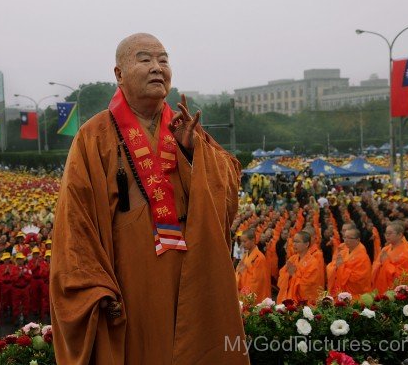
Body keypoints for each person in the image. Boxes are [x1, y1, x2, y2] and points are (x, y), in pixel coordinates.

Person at [50, 33, 248, 364]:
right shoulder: (94, 136)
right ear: (119, 74)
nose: (158, 68)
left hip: (191, 275)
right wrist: (94, 285)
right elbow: (75, 221)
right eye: (145, 59)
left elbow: (227, 193)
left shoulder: (187, 129)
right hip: (130, 283)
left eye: (164, 60)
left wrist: (192, 152)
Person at [372, 221, 408, 294]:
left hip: (396, 291)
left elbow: (402, 275)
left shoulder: (405, 251)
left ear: (400, 235)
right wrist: (379, 264)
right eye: (386, 233)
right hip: (382, 286)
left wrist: (386, 262)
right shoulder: (386, 249)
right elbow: (375, 266)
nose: (387, 236)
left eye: (390, 233)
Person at [277, 231, 322, 304]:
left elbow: (307, 287)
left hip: (303, 303)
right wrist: (288, 276)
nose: (294, 244)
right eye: (294, 241)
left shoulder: (313, 262)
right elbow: (280, 278)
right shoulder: (292, 259)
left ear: (306, 244)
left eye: (297, 242)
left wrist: (293, 275)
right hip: (288, 300)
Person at [326, 228, 371, 298]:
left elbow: (357, 279)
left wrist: (341, 267)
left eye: (349, 238)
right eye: (345, 237)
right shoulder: (343, 252)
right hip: (340, 292)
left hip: (355, 295)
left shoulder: (363, 257)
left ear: (358, 240)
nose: (346, 240)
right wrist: (337, 267)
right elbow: (330, 267)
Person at [236, 229, 271, 302]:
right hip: (244, 292)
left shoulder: (259, 258)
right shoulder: (245, 255)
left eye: (245, 241)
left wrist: (243, 272)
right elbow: (239, 271)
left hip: (255, 296)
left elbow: (257, 282)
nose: (242, 244)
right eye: (241, 241)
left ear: (253, 240)